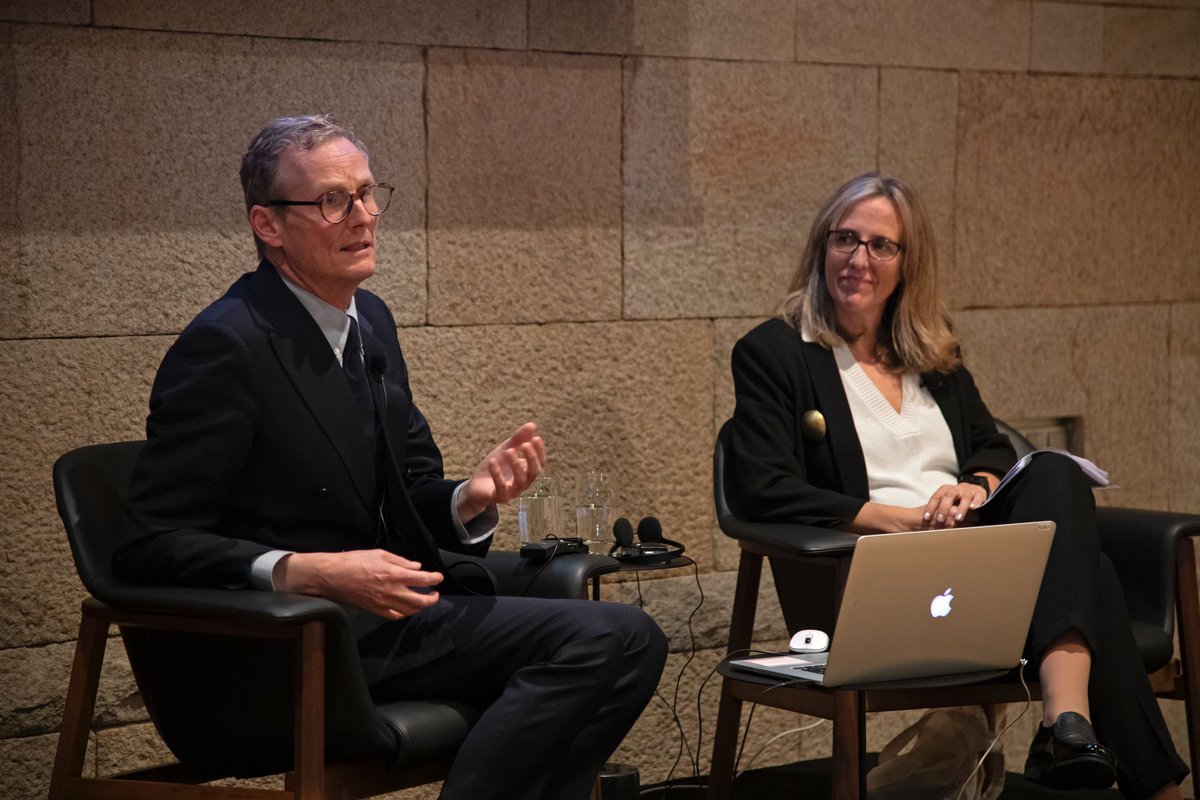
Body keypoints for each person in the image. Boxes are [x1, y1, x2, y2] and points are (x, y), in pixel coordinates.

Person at [113, 114, 667, 800]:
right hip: (297, 645)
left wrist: (471, 497)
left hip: (390, 616)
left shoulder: (368, 319)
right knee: (607, 639)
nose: (364, 216)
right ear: (268, 225)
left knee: (633, 637)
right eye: (332, 201)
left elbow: (409, 486)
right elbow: (146, 543)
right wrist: (305, 572)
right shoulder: (230, 346)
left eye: (368, 193)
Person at [729, 173, 1188, 799]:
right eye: (846, 240)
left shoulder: (932, 355)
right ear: (821, 248)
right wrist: (904, 518)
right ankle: (1100, 748)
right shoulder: (776, 353)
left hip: (976, 570)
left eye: (881, 246)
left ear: (906, 264)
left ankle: (1066, 724)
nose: (859, 259)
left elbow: (992, 446)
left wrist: (975, 486)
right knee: (1095, 578)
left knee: (1052, 469)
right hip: (879, 579)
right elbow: (763, 486)